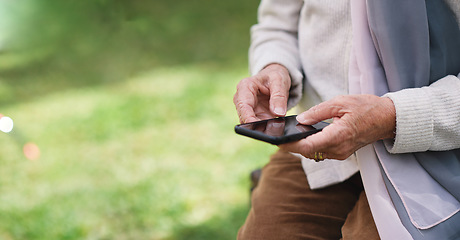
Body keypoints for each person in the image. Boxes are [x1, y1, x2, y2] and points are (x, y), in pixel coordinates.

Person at [233, 0, 460, 239]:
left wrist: (392, 116)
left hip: (432, 150)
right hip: (318, 147)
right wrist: (275, 66)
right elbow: (277, 25)